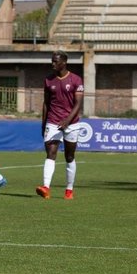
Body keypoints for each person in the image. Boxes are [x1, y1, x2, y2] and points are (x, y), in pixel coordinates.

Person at [38, 51, 85, 199]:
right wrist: (43, 122)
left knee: (69, 156)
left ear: (63, 63)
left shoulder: (76, 80)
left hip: (71, 124)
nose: (52, 64)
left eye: (55, 61)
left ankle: (69, 189)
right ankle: (46, 187)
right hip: (52, 122)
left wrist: (67, 121)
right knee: (50, 153)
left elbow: (78, 104)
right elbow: (46, 103)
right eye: (52, 61)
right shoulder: (48, 80)